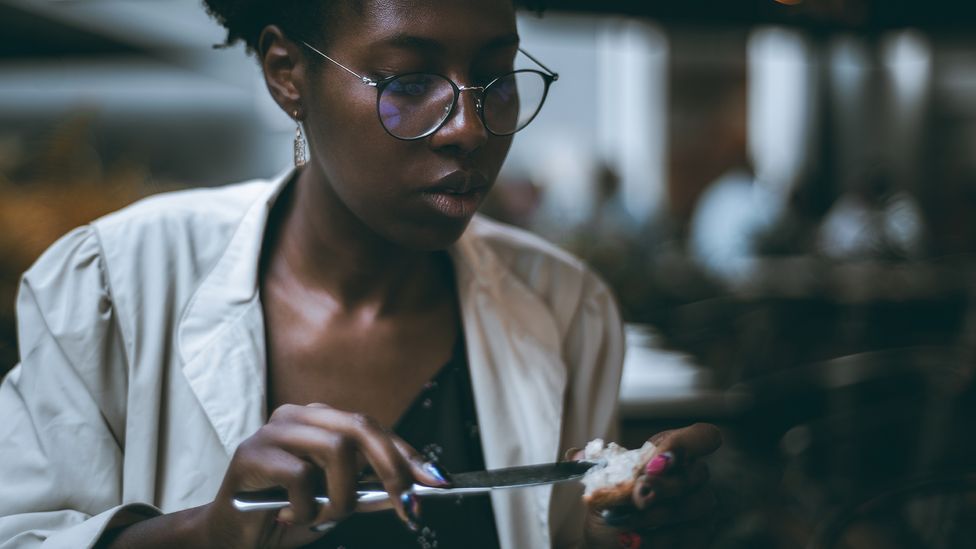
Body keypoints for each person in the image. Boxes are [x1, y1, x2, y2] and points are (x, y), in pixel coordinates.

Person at [0, 1, 721, 547]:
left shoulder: (567, 305)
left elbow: (563, 528)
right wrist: (210, 531)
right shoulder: (110, 285)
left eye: (497, 78)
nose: (470, 126)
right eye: (410, 80)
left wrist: (630, 518)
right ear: (288, 75)